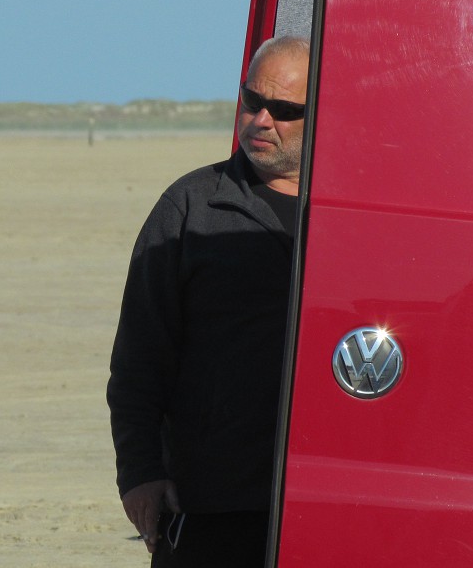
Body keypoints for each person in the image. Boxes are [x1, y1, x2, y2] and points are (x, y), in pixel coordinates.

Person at [107, 35, 310, 566]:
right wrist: (140, 473)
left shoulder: (356, 216)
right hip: (208, 503)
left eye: (284, 109)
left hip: (326, 498)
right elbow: (139, 357)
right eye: (252, 100)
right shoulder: (191, 207)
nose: (261, 120)